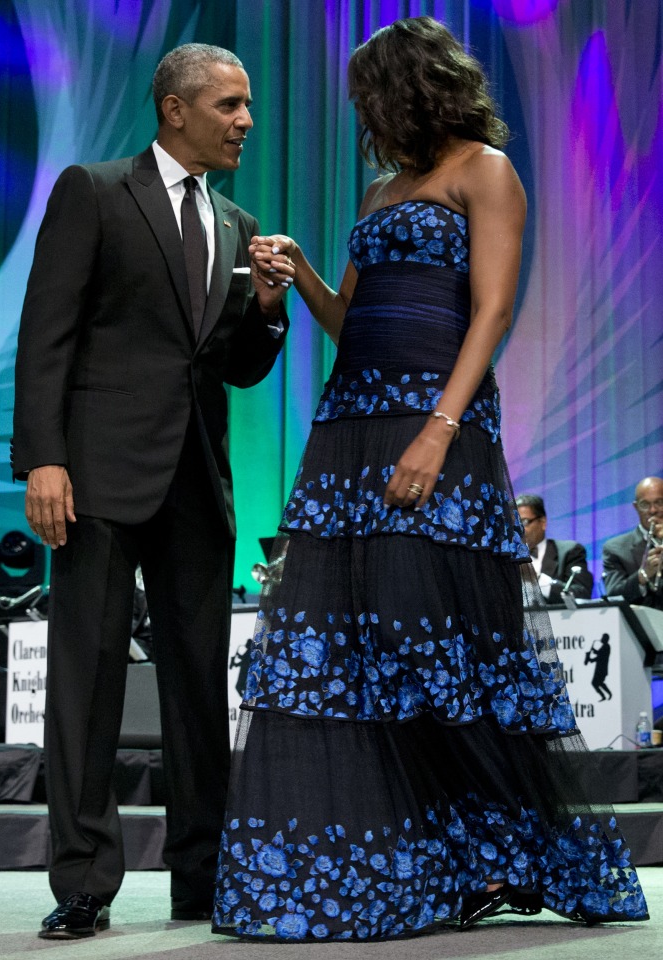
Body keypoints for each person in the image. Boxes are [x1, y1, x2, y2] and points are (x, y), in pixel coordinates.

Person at [212, 17, 648, 942]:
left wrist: (439, 431)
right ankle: (428, 861)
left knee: (431, 642)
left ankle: (507, 852)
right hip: (351, 429)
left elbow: (490, 310)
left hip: (435, 427)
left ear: (413, 89)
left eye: (373, 98)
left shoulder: (483, 169)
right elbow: (353, 321)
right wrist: (298, 278)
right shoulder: (381, 190)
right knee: (356, 651)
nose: (365, 117)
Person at [11, 43, 293, 939]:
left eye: (248, 105)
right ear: (176, 109)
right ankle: (83, 885)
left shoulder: (238, 221)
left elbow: (236, 371)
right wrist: (43, 460)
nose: (246, 119)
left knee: (198, 692)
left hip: (197, 484)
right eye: (230, 104)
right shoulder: (93, 191)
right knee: (86, 684)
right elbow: (45, 335)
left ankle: (201, 882)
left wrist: (268, 310)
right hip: (94, 476)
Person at [515, 494, 593, 603]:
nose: (518, 529)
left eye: (524, 522)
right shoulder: (503, 557)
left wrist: (536, 578)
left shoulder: (569, 551)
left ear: (543, 523)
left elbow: (581, 593)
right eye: (514, 524)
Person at [602, 476, 663, 610]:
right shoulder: (615, 548)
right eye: (645, 505)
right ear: (636, 507)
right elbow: (613, 596)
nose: (653, 510)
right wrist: (643, 575)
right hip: (639, 628)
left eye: (659, 502)